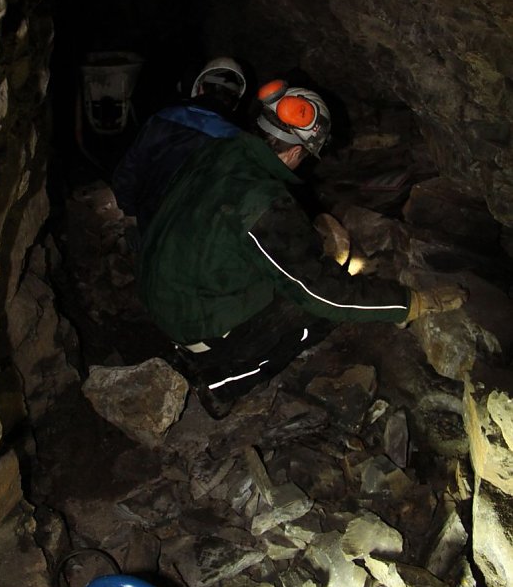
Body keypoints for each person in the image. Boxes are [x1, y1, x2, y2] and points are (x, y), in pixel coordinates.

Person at [138, 79, 468, 418]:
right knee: (316, 310)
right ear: (296, 152)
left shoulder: (217, 153)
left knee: (288, 270)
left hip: (162, 296)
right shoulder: (262, 201)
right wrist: (409, 303)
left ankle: (195, 347)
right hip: (193, 321)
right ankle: (223, 382)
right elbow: (324, 294)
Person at [112, 57, 246, 238]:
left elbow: (128, 171)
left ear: (199, 88)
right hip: (194, 239)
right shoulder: (239, 142)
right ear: (235, 102)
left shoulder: (162, 119)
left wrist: (130, 214)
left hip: (150, 226)